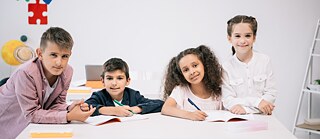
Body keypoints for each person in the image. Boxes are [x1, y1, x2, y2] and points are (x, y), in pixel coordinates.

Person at [0, 27, 95, 139]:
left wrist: (69, 108)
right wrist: (68, 116)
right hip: (6, 124)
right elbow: (32, 114)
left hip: (28, 127)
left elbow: (55, 104)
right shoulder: (25, 73)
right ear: (40, 53)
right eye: (53, 55)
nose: (59, 62)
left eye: (65, 56)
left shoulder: (68, 72)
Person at [221, 15, 277, 115]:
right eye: (237, 36)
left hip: (262, 118)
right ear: (229, 38)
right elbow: (228, 100)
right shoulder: (226, 67)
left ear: (254, 37)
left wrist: (247, 110)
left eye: (247, 36)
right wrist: (257, 102)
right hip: (236, 118)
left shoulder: (265, 60)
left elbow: (271, 94)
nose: (242, 41)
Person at [161, 45, 223, 121]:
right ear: (182, 74)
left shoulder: (218, 90)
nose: (192, 72)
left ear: (204, 65)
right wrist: (190, 115)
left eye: (195, 65)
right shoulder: (181, 90)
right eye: (186, 70)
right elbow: (166, 108)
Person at [85, 58, 164, 117]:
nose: (114, 83)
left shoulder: (133, 95)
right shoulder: (99, 96)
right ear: (102, 81)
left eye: (119, 78)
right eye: (109, 78)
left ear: (127, 81)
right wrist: (113, 110)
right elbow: (86, 106)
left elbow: (160, 104)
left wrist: (136, 109)